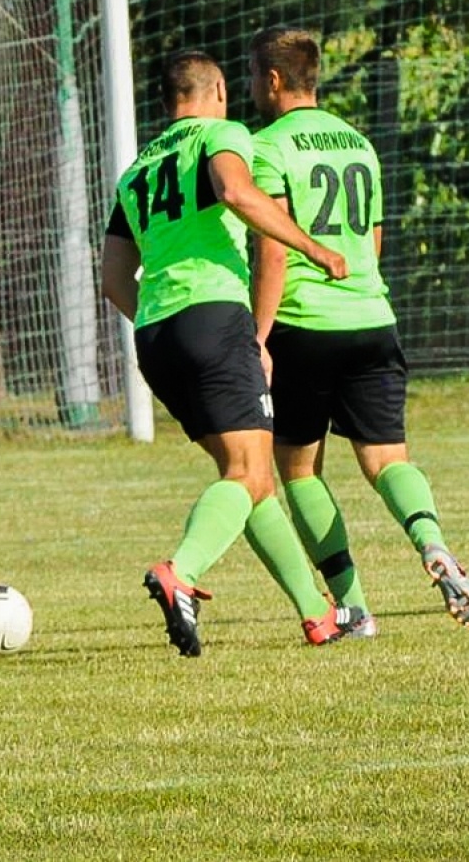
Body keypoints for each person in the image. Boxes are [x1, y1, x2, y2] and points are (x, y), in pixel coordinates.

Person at [101, 49, 353, 658]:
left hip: (155, 334)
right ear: (216, 92)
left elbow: (113, 277)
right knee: (247, 471)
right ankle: (179, 572)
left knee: (252, 479)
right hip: (212, 317)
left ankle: (319, 614)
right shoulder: (223, 133)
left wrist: (165, 320)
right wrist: (314, 249)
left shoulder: (136, 168)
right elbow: (237, 193)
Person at [247, 26, 469, 631]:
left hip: (304, 325)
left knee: (299, 470)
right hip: (372, 317)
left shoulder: (266, 146)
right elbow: (373, 241)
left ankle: (353, 606)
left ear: (272, 81)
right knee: (386, 460)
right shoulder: (358, 143)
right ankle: (432, 543)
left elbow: (273, 250)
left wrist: (259, 335)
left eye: (254, 77)